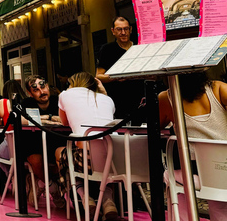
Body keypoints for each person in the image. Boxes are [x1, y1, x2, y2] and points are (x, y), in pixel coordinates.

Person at [159, 72, 227, 221]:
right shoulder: (219, 89)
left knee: (169, 175)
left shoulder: (167, 98)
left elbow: (154, 127)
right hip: (224, 172)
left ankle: (183, 218)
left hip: (195, 177)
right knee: (220, 200)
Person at [55, 72, 118, 220]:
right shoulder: (108, 99)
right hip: (117, 158)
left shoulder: (65, 95)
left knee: (61, 154)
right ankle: (108, 201)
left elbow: (64, 122)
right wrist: (104, 92)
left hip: (86, 159)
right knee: (107, 160)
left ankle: (84, 196)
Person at [22, 75, 65, 208]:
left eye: (43, 86)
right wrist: (49, 117)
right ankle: (53, 188)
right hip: (33, 142)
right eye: (36, 90)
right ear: (30, 93)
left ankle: (41, 183)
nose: (42, 92)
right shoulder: (26, 103)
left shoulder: (58, 101)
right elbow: (22, 120)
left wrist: (40, 118)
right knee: (36, 160)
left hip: (56, 140)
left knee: (63, 156)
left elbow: (66, 118)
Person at [95, 16, 145, 123]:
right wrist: (117, 77)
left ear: (130, 29)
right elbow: (99, 76)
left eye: (126, 29)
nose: (123, 32)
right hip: (118, 101)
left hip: (141, 99)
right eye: (119, 29)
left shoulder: (140, 47)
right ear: (113, 31)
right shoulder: (107, 49)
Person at [0, 80, 29, 176]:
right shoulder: (27, 102)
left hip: (10, 147)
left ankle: (10, 175)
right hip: (27, 145)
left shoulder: (3, 102)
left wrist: (5, 120)